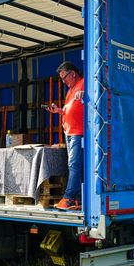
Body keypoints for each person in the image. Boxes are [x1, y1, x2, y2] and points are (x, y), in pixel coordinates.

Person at [45, 61, 84, 210]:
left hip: (78, 133)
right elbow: (72, 109)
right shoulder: (71, 89)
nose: (63, 82)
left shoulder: (84, 83)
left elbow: (94, 96)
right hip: (70, 132)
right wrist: (59, 111)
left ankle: (69, 197)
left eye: (64, 78)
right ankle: (78, 199)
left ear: (73, 73)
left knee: (74, 165)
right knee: (74, 165)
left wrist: (85, 94)